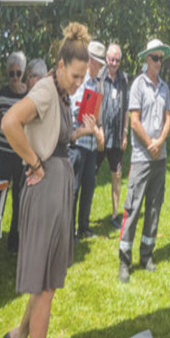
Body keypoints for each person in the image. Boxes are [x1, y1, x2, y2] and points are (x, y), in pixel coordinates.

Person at [0, 23, 96, 338]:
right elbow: (10, 122)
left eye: (82, 76)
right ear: (59, 66)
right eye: (75, 75)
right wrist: (33, 162)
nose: (78, 82)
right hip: (45, 190)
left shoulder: (59, 94)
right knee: (44, 288)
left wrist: (81, 132)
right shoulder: (44, 90)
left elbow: (56, 137)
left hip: (57, 188)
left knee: (47, 281)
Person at [118, 39, 170, 283]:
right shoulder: (138, 85)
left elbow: (168, 118)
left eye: (161, 58)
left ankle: (147, 254)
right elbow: (134, 120)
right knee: (133, 207)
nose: (159, 63)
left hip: (159, 157)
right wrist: (150, 143)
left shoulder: (164, 87)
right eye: (155, 58)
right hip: (141, 157)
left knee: (154, 206)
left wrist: (160, 141)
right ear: (146, 59)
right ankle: (124, 259)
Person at [68, 41, 107, 239]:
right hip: (78, 145)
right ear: (90, 61)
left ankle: (83, 227)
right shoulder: (80, 82)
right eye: (98, 63)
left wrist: (99, 129)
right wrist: (93, 129)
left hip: (91, 145)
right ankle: (69, 231)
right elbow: (77, 113)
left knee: (88, 187)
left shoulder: (97, 83)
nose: (100, 68)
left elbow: (96, 113)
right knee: (74, 189)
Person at [0, 51, 29, 253]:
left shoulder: (28, 97)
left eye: (18, 73)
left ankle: (14, 242)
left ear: (23, 73)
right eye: (11, 73)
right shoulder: (2, 94)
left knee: (19, 198)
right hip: (2, 152)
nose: (15, 78)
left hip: (20, 154)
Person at [96, 43, 130, 228]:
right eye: (111, 59)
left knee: (117, 175)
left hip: (117, 136)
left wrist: (125, 133)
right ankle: (81, 220)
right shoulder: (99, 77)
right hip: (100, 136)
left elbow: (126, 110)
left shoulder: (124, 79)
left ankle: (115, 215)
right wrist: (98, 128)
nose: (114, 63)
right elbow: (93, 105)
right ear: (106, 58)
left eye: (117, 60)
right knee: (90, 176)